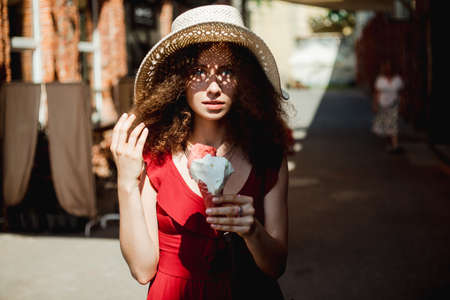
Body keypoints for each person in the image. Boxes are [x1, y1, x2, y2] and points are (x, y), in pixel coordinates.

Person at [110, 5, 290, 300]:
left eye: (227, 71)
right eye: (198, 71)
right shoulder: (155, 156)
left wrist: (253, 232)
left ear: (245, 79)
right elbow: (143, 270)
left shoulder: (268, 156)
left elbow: (276, 266)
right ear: (177, 79)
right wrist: (126, 182)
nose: (214, 87)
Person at [371, 60, 405, 154]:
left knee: (393, 124)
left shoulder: (397, 80)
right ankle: (390, 143)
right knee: (386, 124)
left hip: (394, 104)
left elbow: (401, 93)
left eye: (389, 68)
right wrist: (375, 104)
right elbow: (377, 93)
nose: (387, 70)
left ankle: (395, 145)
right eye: (386, 68)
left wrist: (402, 104)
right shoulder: (380, 80)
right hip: (383, 105)